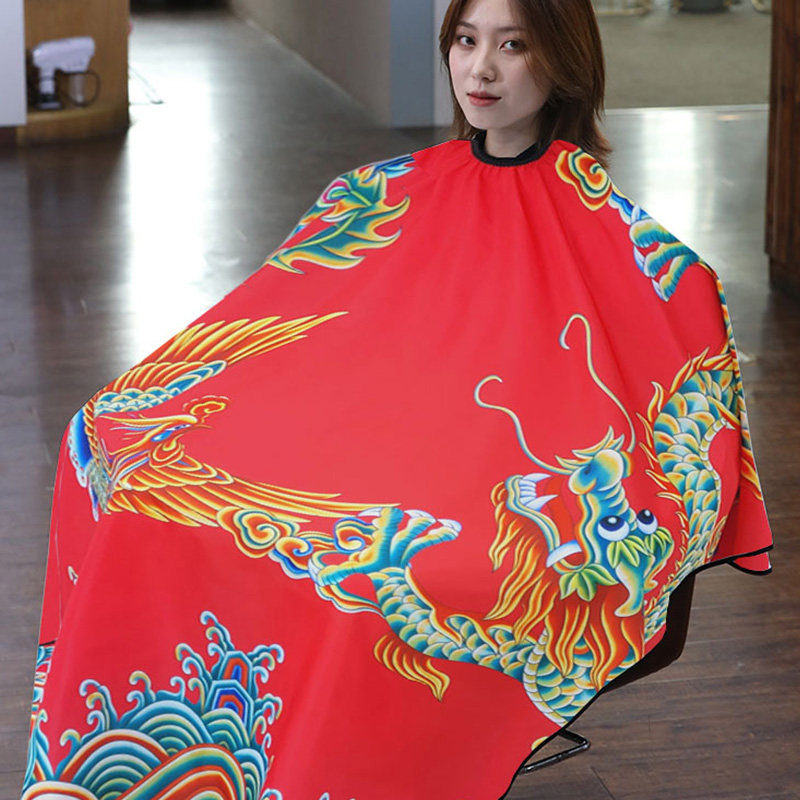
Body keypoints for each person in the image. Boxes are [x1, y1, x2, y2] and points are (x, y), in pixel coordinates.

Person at [19, 1, 772, 799]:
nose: (481, 69)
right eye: (466, 41)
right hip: (368, 438)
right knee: (116, 461)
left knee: (370, 583)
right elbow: (287, 322)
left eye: (513, 45)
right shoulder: (379, 194)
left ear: (564, 62)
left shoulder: (617, 237)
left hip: (475, 486)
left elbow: (660, 360)